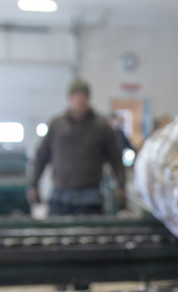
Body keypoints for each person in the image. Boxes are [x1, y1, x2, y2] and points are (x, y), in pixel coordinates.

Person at [28, 78, 126, 216]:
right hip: (60, 196)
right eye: (75, 96)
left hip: (91, 198)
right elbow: (41, 156)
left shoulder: (101, 126)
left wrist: (121, 185)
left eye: (83, 96)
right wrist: (34, 184)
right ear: (70, 98)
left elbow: (116, 157)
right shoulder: (57, 125)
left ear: (88, 98)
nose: (79, 100)